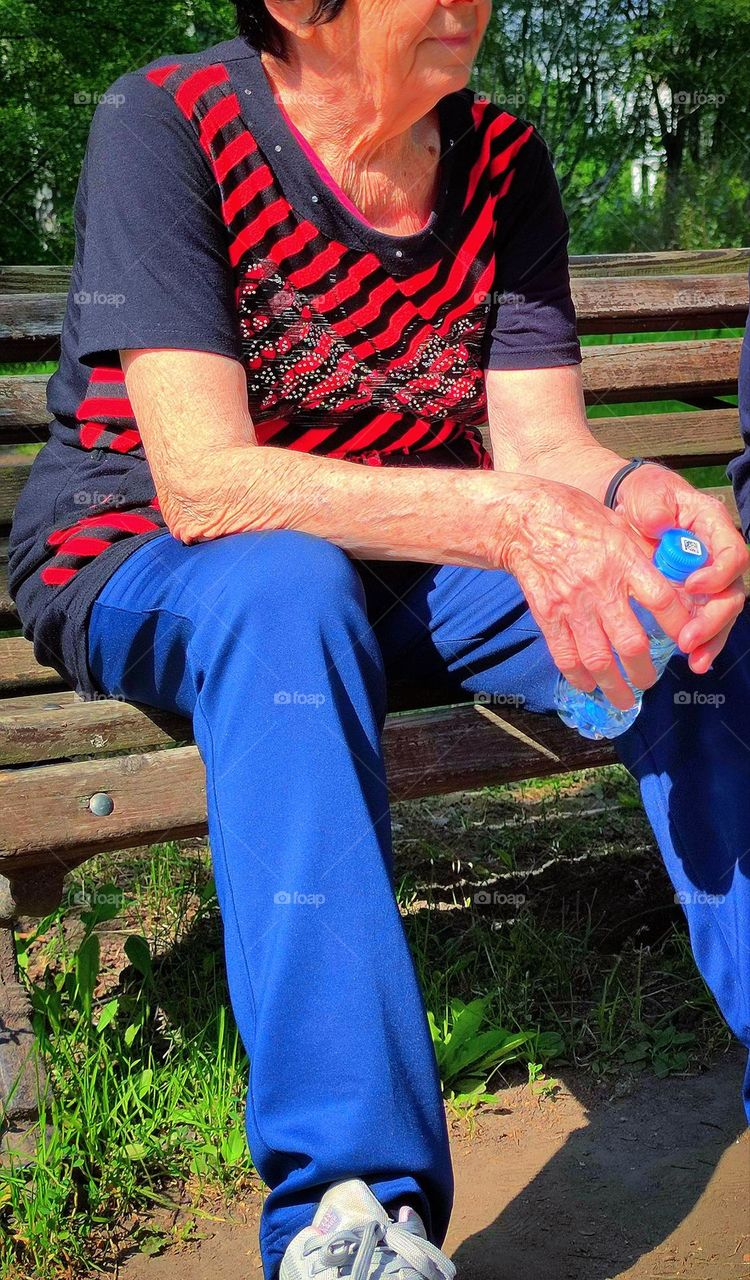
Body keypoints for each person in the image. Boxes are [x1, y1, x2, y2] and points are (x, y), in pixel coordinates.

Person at [8, 2, 750, 1277]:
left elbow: (544, 445)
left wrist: (639, 499)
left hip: (408, 567)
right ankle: (351, 1212)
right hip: (149, 557)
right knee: (287, 585)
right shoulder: (169, 122)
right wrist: (512, 519)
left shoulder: (501, 159)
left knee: (691, 615)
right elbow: (205, 485)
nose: (471, 1)